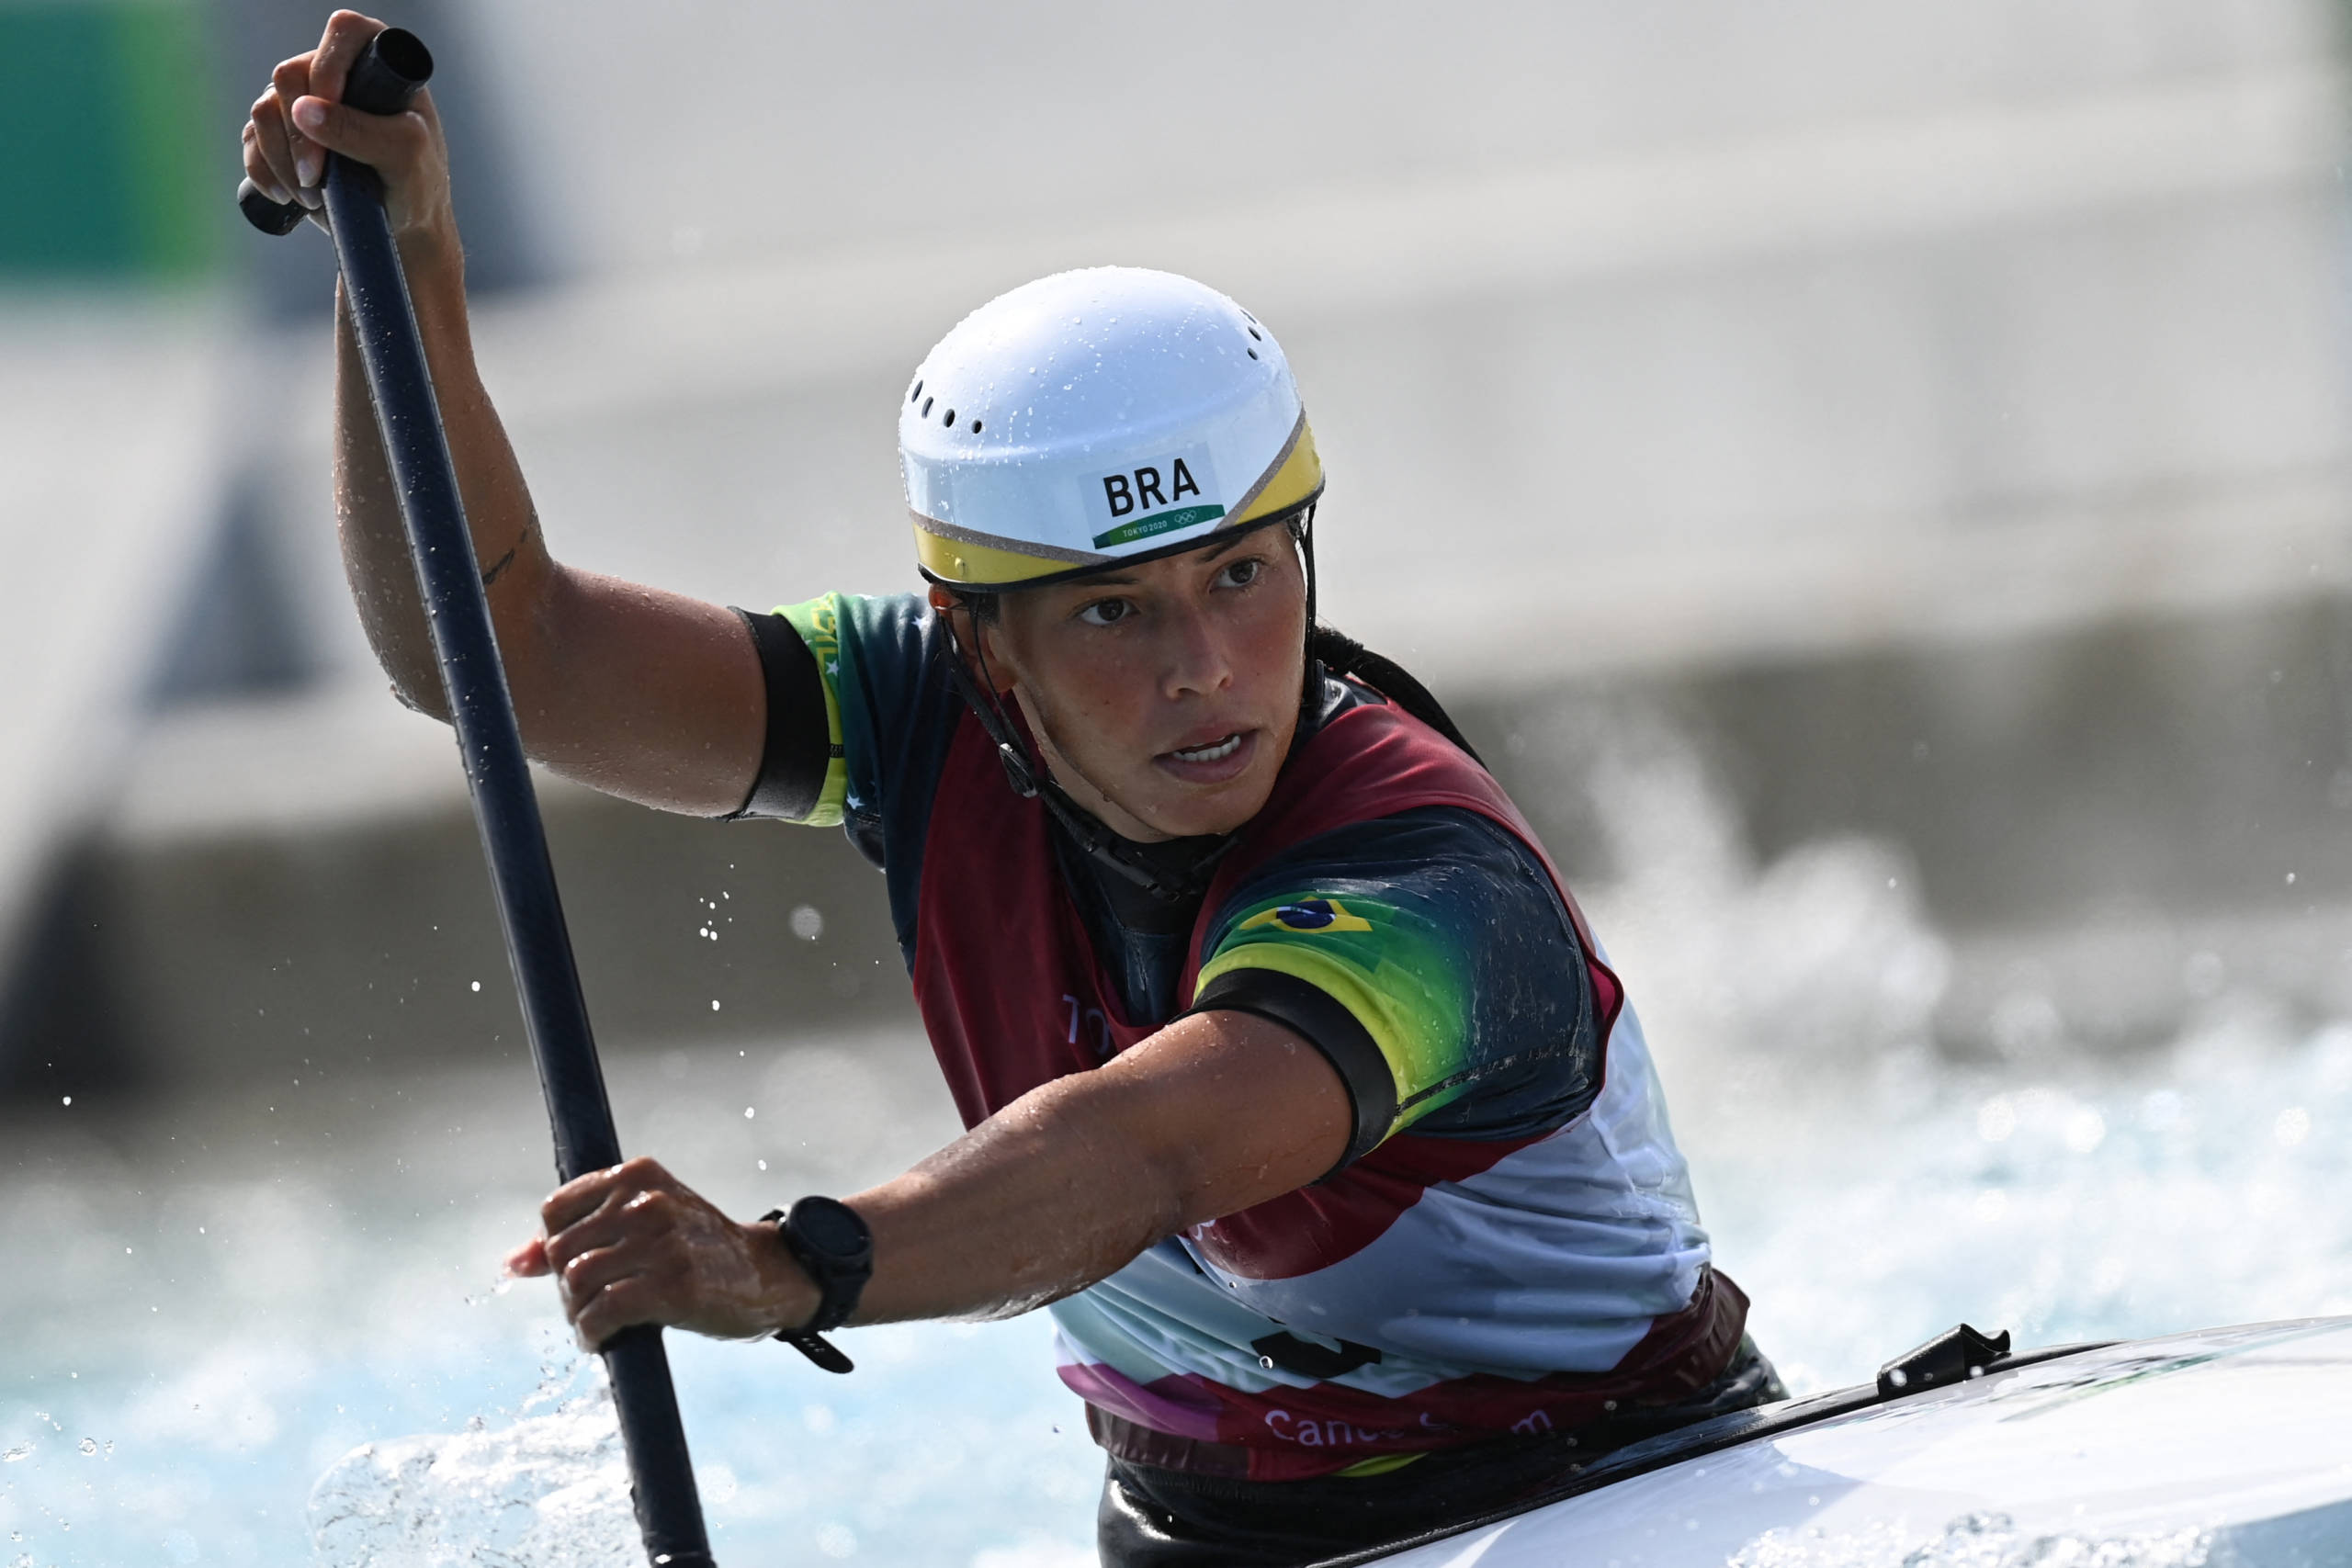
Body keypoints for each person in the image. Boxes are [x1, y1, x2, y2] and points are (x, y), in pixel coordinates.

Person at [243, 13, 1783, 1564]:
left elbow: (1146, 1150)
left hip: (1612, 1496)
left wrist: (786, 1268)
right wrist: (408, 263)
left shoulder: (1436, 889)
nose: (1205, 667)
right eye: (1113, 611)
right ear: (977, 641)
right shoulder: (918, 712)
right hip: (1187, 1526)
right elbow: (502, 659)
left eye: (1243, 575)